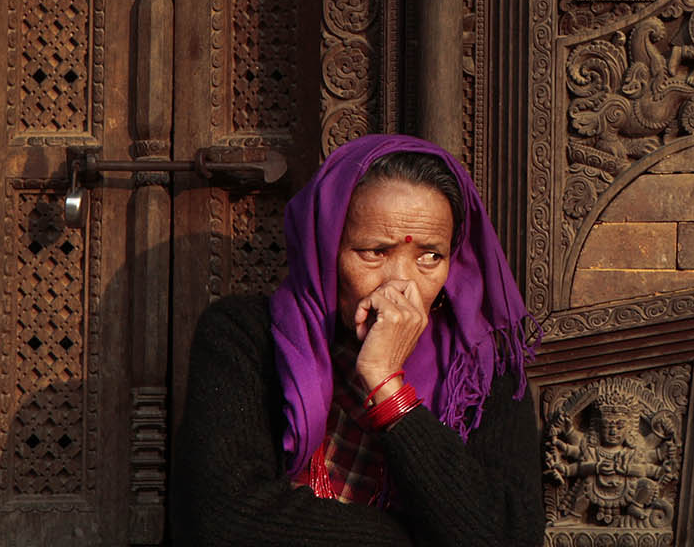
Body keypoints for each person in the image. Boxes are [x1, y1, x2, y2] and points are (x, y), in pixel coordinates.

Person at [172, 133, 544, 546]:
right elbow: (227, 520)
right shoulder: (247, 338)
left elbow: (508, 536)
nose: (401, 284)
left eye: (430, 257)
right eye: (374, 252)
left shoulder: (479, 374)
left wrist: (388, 388)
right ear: (325, 249)